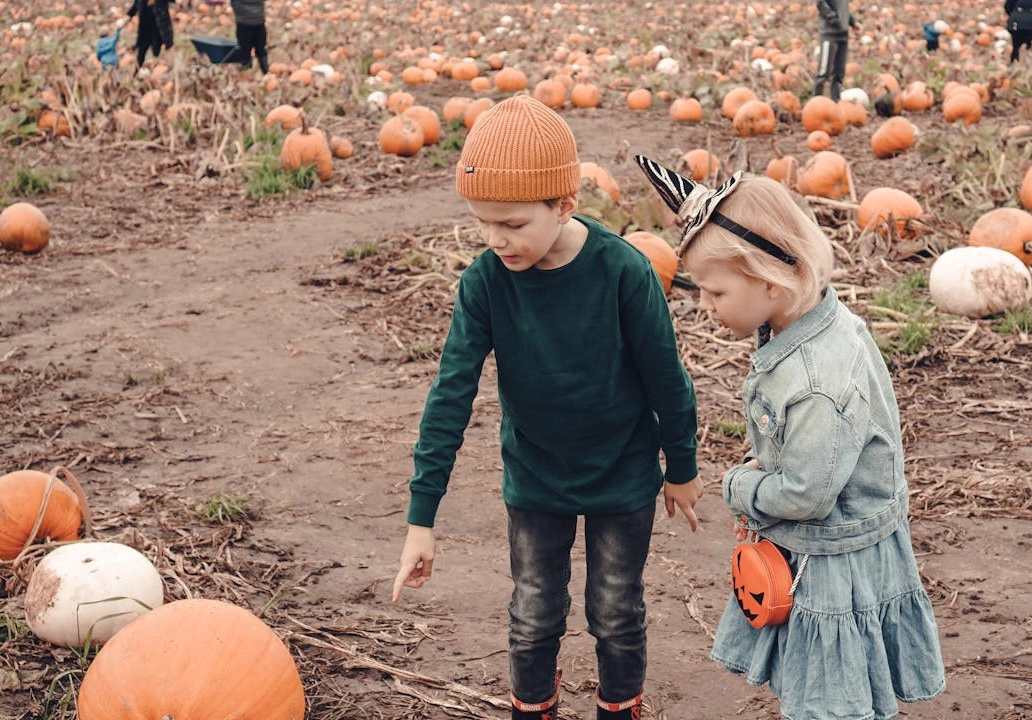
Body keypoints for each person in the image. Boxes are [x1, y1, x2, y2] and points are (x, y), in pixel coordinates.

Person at [391, 95, 704, 720]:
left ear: (563, 205)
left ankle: (620, 706)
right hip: (535, 477)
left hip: (623, 473)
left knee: (615, 612)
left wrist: (683, 467)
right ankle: (532, 707)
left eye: (511, 224)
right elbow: (450, 395)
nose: (495, 239)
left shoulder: (624, 271)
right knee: (534, 612)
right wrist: (420, 519)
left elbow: (667, 377)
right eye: (483, 222)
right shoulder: (485, 281)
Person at [635, 157, 947, 720]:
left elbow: (805, 494)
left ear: (772, 280)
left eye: (715, 293)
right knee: (831, 683)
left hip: (834, 558)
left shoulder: (816, 383)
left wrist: (741, 487)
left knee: (829, 699)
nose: (704, 308)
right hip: (835, 541)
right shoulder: (812, 324)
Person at [814, 0, 857, 101]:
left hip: (843, 35)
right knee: (824, 72)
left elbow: (843, 9)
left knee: (839, 73)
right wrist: (834, 19)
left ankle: (836, 102)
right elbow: (821, 3)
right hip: (829, 34)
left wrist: (852, 22)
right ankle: (816, 102)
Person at [122, 0, 173, 69]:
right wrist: (124, 20)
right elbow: (134, 8)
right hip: (144, 31)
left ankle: (156, 72)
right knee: (141, 54)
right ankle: (137, 72)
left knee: (157, 53)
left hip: (159, 32)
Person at [230, 0, 270, 74]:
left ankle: (246, 68)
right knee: (260, 48)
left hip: (243, 21)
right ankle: (265, 71)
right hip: (258, 20)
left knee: (244, 48)